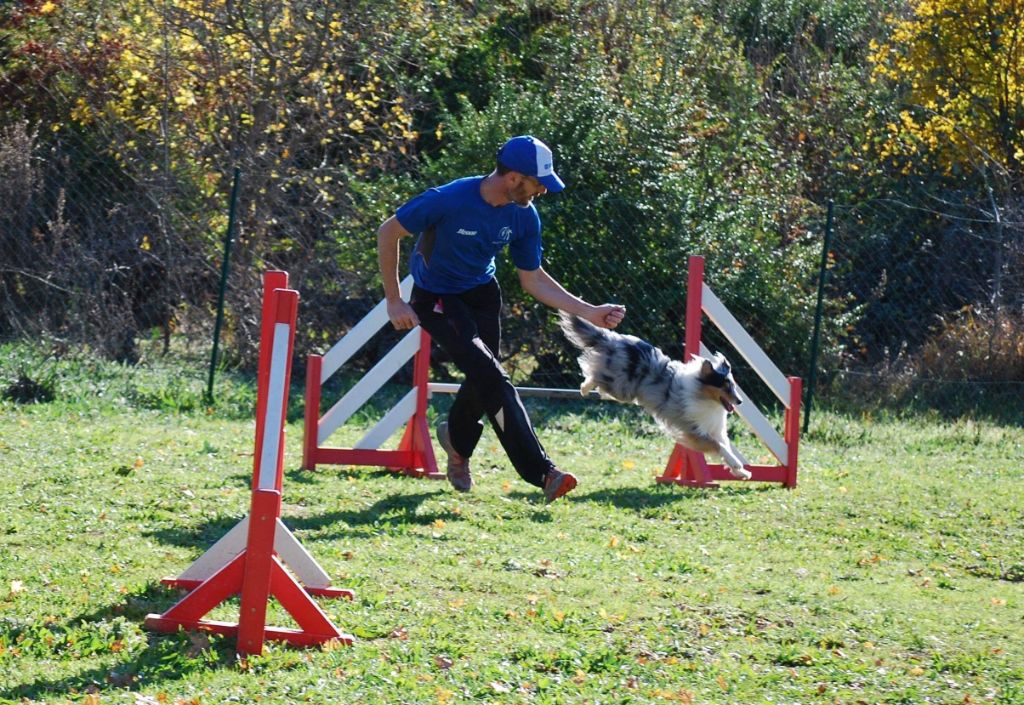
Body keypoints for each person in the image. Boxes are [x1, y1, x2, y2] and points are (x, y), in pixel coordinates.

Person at [377, 135, 625, 503]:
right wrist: (395, 301)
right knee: (492, 375)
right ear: (513, 178)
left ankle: (457, 442)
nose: (542, 190)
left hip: (481, 293)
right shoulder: (448, 200)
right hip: (437, 296)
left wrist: (588, 311)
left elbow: (533, 278)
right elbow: (388, 231)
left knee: (484, 376)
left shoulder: (524, 215)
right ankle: (543, 473)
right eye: (538, 182)